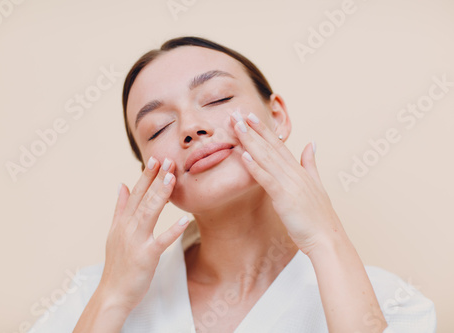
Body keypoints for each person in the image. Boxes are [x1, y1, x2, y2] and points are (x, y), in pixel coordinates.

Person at [29, 36, 436, 333]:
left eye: (218, 98)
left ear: (277, 116)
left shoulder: (392, 303)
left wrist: (327, 240)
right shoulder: (90, 297)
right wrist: (113, 297)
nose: (191, 127)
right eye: (159, 128)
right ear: (148, 171)